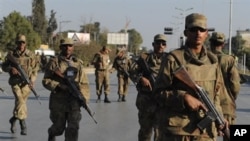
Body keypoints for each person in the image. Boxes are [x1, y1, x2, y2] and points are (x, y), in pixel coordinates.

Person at [153, 13, 228, 141]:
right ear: (186, 32)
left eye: (202, 30)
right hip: (179, 132)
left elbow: (216, 96)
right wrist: (184, 97)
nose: (198, 33)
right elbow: (157, 93)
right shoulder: (174, 59)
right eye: (193, 29)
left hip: (205, 133)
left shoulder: (213, 61)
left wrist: (221, 117)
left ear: (207, 34)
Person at [42, 38, 90, 141]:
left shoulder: (78, 64)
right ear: (61, 47)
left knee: (73, 128)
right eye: (65, 46)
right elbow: (45, 81)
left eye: (70, 45)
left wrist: (84, 98)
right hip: (58, 103)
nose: (68, 48)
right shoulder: (54, 63)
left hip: (74, 103)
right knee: (58, 129)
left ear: (73, 48)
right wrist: (58, 85)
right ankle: (51, 133)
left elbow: (84, 84)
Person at [2, 34, 38, 135]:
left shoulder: (31, 55)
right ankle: (23, 124)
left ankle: (13, 119)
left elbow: (35, 69)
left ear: (25, 43)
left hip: (26, 84)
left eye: (23, 42)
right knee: (20, 100)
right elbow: (4, 66)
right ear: (16, 43)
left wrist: (33, 80)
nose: (21, 44)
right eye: (19, 42)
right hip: (15, 82)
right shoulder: (11, 54)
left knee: (21, 103)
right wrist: (10, 69)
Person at [134, 34, 168, 141]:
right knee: (145, 131)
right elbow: (132, 71)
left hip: (162, 101)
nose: (160, 46)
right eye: (158, 43)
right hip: (146, 101)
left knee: (160, 132)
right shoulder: (145, 58)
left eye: (163, 44)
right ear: (153, 44)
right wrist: (141, 78)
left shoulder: (169, 59)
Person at [209, 31, 241, 141]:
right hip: (226, 104)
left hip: (207, 104)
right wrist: (231, 97)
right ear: (223, 44)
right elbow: (235, 84)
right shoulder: (229, 60)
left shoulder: (205, 59)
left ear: (210, 43)